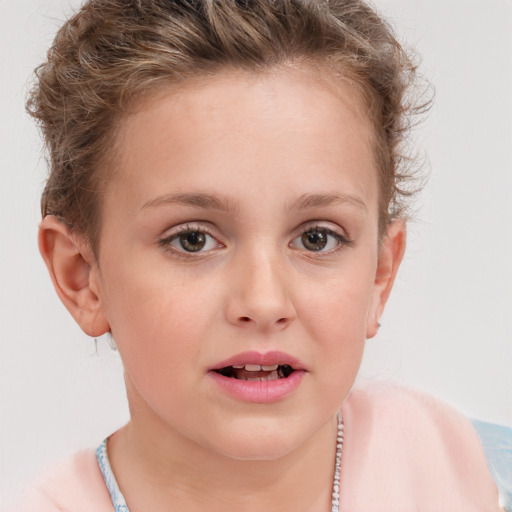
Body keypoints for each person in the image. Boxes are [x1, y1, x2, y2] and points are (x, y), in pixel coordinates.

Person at [16, 0, 509, 510]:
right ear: (83, 278)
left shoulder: (462, 470)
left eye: (317, 237)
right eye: (192, 239)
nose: (264, 301)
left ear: (380, 275)